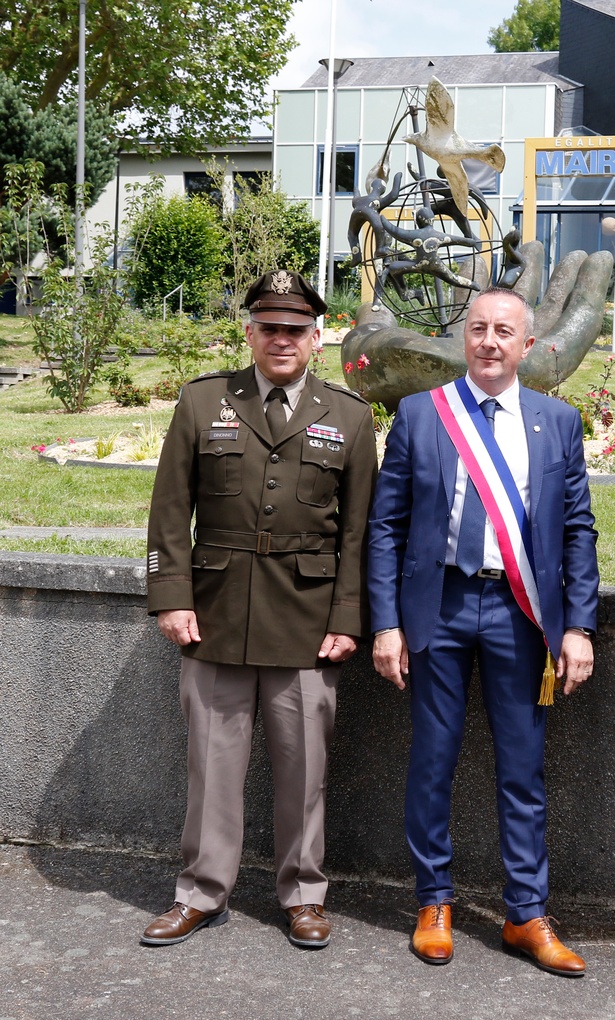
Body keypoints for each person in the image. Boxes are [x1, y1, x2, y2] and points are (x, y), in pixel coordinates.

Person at [141, 269, 377, 950]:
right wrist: (172, 598)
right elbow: (168, 512)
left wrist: (346, 617)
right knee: (212, 767)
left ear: (316, 337)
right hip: (213, 615)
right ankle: (199, 892)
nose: (281, 339)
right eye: (269, 327)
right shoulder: (202, 401)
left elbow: (359, 531)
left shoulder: (350, 416)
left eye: (294, 329)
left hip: (308, 621)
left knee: (305, 770)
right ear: (249, 332)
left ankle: (303, 894)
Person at [368, 287, 598, 976]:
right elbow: (387, 527)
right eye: (478, 329)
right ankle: (433, 900)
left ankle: (526, 912)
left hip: (520, 615)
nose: (490, 341)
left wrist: (579, 627)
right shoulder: (420, 414)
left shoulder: (557, 423)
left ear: (528, 346)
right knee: (432, 760)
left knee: (523, 769)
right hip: (436, 605)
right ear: (463, 339)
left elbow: (578, 530)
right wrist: (385, 623)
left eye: (504, 331)